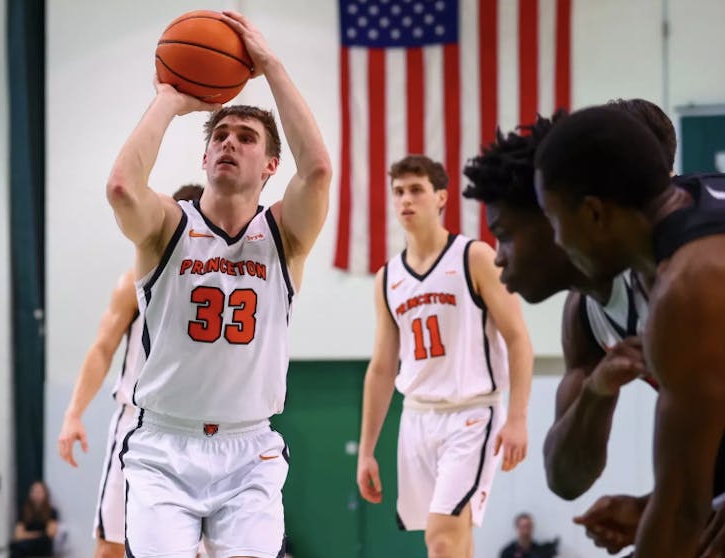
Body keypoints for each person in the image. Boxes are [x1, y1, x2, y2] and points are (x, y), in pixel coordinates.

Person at [105, 10, 331, 557]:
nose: (230, 143)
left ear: (271, 164)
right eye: (221, 136)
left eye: (246, 137)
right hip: (164, 445)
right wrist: (170, 98)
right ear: (205, 156)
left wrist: (270, 65)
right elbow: (120, 187)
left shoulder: (283, 235)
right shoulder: (168, 226)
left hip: (248, 447)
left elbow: (319, 169)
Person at [463, 102, 725, 556]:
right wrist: (597, 392)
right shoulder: (592, 308)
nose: (498, 257)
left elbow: (682, 508)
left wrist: (682, 509)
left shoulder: (689, 279)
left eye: (505, 233)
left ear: (579, 214)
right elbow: (566, 479)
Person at [356, 155, 532, 558]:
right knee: (455, 540)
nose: (405, 200)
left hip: (471, 414)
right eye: (398, 191)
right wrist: (366, 450)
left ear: (441, 198)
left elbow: (519, 338)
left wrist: (518, 417)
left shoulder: (475, 258)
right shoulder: (389, 277)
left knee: (441, 538)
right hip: (417, 417)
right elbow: (382, 367)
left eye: (416, 190)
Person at [57, 185, 202, 558]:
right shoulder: (135, 283)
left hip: (199, 428)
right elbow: (102, 347)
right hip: (138, 424)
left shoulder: (224, 285)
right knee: (111, 546)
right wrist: (74, 412)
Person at [9, 481, 59, 558]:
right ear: (30, 494)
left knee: (42, 542)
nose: (37, 494)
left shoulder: (52, 511)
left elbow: (50, 533)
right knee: (16, 547)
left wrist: (27, 534)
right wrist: (39, 534)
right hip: (27, 545)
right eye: (34, 492)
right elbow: (18, 534)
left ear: (45, 494)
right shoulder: (24, 511)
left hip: (43, 545)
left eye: (39, 492)